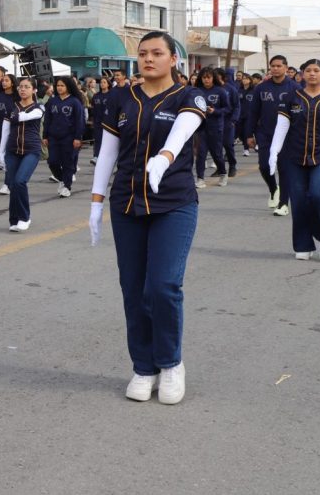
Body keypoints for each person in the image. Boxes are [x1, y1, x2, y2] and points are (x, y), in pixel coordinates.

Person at [89, 30, 205, 405]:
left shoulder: (189, 96)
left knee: (163, 285)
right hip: (127, 204)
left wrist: (164, 158)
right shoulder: (120, 98)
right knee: (133, 289)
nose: (148, 59)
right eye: (142, 54)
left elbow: (183, 130)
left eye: (157, 53)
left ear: (174, 59)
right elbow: (108, 152)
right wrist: (96, 201)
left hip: (173, 203)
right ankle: (144, 367)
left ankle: (170, 363)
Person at [268, 58, 320, 261]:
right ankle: (303, 245)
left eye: (316, 70)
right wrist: (274, 152)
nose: (312, 73)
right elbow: (282, 126)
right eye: (308, 70)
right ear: (302, 74)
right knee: (299, 201)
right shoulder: (291, 97)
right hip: (295, 156)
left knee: (318, 194)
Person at [245, 55, 294, 215]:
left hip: (287, 136)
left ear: (286, 68)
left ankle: (283, 204)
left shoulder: (295, 88)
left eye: (279, 66)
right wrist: (249, 134)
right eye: (273, 66)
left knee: (284, 169)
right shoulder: (261, 88)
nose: (275, 68)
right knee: (264, 166)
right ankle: (273, 189)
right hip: (265, 133)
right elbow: (253, 112)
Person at [0, 76, 43, 231]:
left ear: (34, 90)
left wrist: (18, 116)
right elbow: (5, 131)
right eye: (21, 87)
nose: (23, 89)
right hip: (12, 151)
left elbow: (31, 115)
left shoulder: (38, 107)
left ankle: (25, 218)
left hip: (31, 151)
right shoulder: (12, 107)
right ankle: (14, 219)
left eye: (27, 87)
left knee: (20, 181)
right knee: (12, 184)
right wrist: (1, 153)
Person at [43, 76, 86, 197]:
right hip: (53, 137)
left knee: (68, 162)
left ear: (68, 87)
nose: (59, 88)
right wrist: (45, 136)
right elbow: (47, 119)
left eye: (62, 85)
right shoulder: (52, 101)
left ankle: (67, 186)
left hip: (69, 137)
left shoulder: (75, 102)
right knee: (52, 162)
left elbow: (80, 121)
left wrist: (78, 137)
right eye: (58, 85)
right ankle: (62, 179)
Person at [192, 69, 228, 188]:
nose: (206, 80)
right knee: (200, 154)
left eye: (208, 77)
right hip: (200, 127)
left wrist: (215, 111)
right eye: (204, 77)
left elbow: (227, 108)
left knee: (216, 153)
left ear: (213, 78)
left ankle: (223, 173)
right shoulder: (197, 91)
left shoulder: (220, 91)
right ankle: (200, 178)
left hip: (215, 127)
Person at [90, 76, 111, 164]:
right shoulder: (96, 96)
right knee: (98, 139)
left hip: (109, 123)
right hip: (97, 121)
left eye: (104, 82)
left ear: (108, 84)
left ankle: (107, 158)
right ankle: (96, 156)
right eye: (101, 82)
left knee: (107, 142)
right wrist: (92, 120)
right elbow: (93, 108)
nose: (102, 84)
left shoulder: (111, 95)